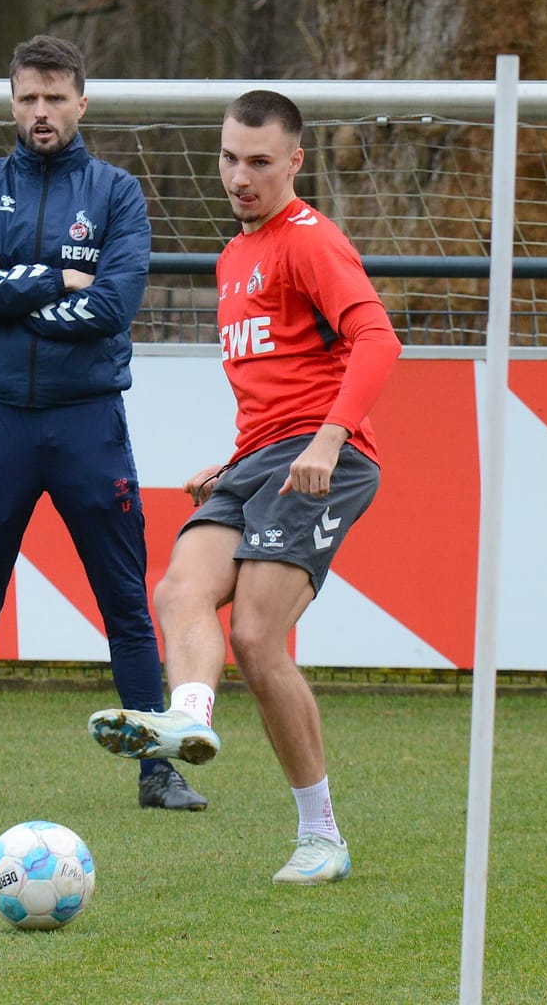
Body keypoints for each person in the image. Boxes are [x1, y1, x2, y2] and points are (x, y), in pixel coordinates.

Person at [87, 90, 402, 882]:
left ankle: (322, 837)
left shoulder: (309, 241)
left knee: (260, 640)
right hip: (256, 459)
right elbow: (274, 382)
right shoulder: (234, 255)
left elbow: (378, 340)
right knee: (177, 591)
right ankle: (187, 719)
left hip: (323, 458)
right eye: (230, 158)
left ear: (294, 162)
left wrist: (329, 437)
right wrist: (234, 464)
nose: (240, 176)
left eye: (259, 161)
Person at [0, 35, 204, 813]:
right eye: (29, 98)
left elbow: (112, 306)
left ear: (81, 101)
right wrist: (58, 279)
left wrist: (19, 294)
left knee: (125, 605)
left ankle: (158, 770)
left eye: (56, 97)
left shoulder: (116, 193)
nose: (42, 111)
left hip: (87, 426)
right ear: (12, 103)